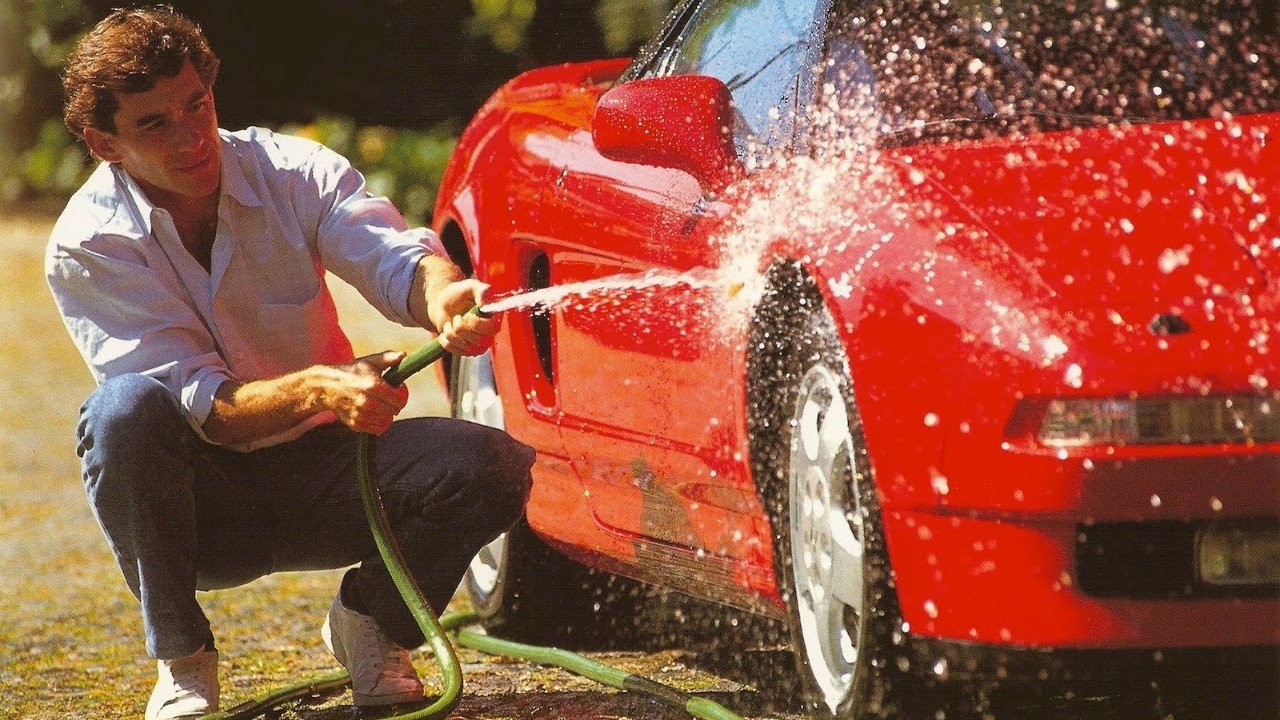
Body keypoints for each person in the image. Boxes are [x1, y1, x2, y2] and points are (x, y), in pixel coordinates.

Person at [45, 7, 534, 719]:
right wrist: (318, 388)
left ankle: (372, 622)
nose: (192, 137)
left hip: (332, 472)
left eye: (198, 105)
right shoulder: (89, 244)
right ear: (103, 143)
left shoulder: (292, 168)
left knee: (491, 464)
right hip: (203, 506)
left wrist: (444, 295)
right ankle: (182, 660)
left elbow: (395, 260)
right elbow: (200, 408)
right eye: (155, 124)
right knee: (121, 413)